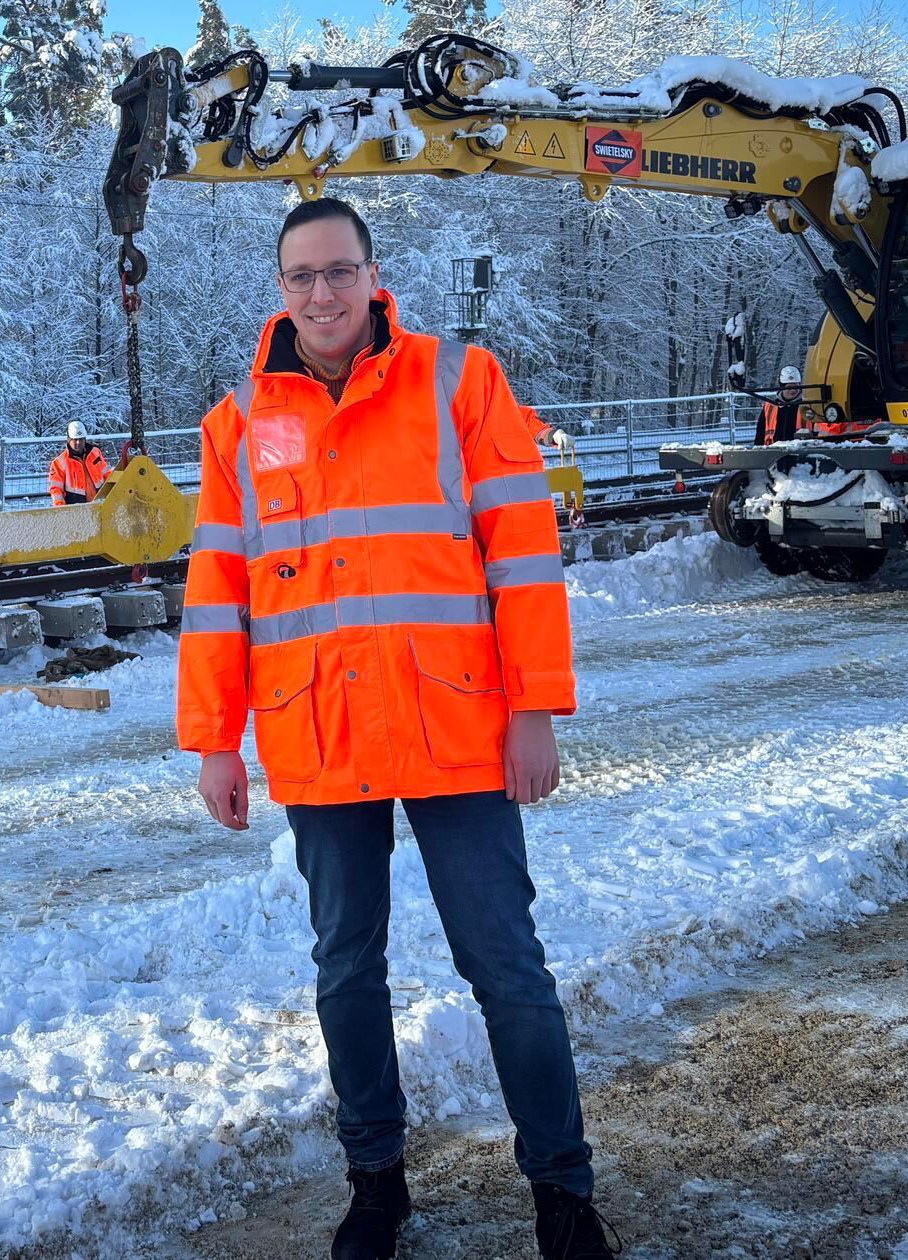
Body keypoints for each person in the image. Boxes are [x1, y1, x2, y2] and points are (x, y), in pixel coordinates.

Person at [177, 197, 615, 1260]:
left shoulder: (458, 382)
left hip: (455, 724)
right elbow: (216, 590)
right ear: (278, 290)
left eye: (338, 272)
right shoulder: (239, 419)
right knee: (344, 972)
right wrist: (212, 738)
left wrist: (534, 710)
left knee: (505, 966)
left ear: (374, 276)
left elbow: (520, 556)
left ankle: (561, 1191)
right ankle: (374, 1184)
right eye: (300, 277)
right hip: (316, 734)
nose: (320, 295)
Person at [48, 421, 111, 505]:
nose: (78, 442)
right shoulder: (59, 462)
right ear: (68, 439)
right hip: (76, 508)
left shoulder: (95, 453)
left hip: (99, 502)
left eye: (81, 439)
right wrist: (60, 509)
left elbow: (107, 474)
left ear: (85, 439)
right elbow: (56, 490)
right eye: (75, 439)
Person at [756, 366, 804, 444]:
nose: (793, 391)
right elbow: (760, 434)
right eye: (789, 387)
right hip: (774, 453)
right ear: (782, 387)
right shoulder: (769, 407)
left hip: (802, 452)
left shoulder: (807, 406)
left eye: (796, 387)